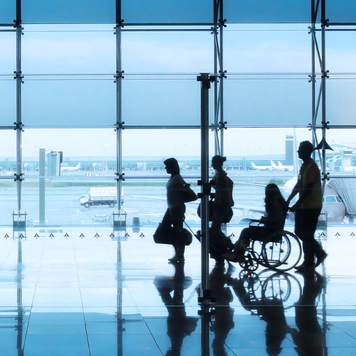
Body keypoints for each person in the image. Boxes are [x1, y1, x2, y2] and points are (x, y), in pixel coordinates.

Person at [287, 140, 327, 271]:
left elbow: (308, 189)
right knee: (303, 233)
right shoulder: (305, 166)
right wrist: (289, 199)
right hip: (306, 206)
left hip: (311, 206)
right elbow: (299, 186)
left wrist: (296, 203)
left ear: (306, 151)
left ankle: (313, 257)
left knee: (305, 233)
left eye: (300, 149)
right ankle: (311, 259)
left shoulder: (311, 167)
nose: (298, 151)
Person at [224, 183, 287, 263]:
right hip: (272, 229)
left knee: (246, 231)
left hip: (271, 231)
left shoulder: (274, 203)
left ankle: (237, 253)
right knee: (247, 231)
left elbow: (278, 219)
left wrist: (266, 219)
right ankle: (238, 253)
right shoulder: (278, 202)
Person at [161, 157, 187, 263]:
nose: (165, 168)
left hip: (176, 207)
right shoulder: (174, 177)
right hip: (172, 207)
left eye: (167, 166)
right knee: (174, 230)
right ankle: (178, 253)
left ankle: (179, 253)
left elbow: (180, 193)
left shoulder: (177, 179)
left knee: (176, 230)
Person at [210, 155, 234, 232]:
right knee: (216, 225)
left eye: (213, 163)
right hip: (223, 203)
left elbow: (219, 187)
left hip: (221, 204)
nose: (212, 165)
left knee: (215, 226)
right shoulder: (221, 174)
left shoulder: (220, 175)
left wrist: (211, 184)